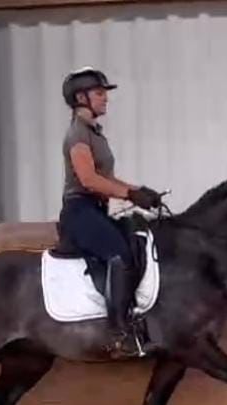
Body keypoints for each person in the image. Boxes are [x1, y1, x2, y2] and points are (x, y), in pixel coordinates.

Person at [58, 67, 163, 355]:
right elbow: (89, 180)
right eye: (100, 93)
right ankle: (117, 333)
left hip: (97, 208)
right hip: (80, 211)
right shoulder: (77, 134)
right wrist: (130, 194)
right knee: (119, 254)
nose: (106, 99)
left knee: (137, 239)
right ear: (81, 97)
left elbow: (108, 179)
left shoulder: (95, 133)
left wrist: (140, 192)